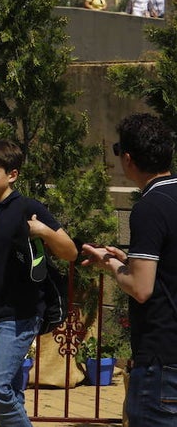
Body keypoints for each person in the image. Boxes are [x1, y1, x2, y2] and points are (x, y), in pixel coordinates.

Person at [0, 140, 77, 427]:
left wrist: (43, 230)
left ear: (12, 175)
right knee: (11, 393)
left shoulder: (27, 208)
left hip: (19, 316)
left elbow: (69, 251)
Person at [81, 113, 177, 427]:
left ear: (128, 158)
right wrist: (129, 260)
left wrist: (109, 263)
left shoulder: (149, 207)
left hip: (161, 360)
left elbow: (140, 287)